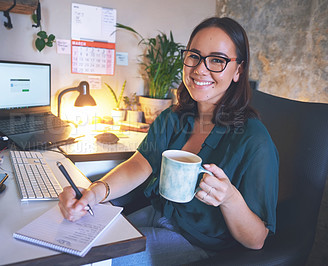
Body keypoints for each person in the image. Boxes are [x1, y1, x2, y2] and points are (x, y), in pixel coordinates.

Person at [58, 17, 279, 265]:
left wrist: (229, 198)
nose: (200, 69)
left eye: (217, 60)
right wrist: (94, 192)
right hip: (157, 214)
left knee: (95, 259)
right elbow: (140, 165)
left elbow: (257, 239)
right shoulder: (174, 117)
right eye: (194, 56)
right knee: (69, 240)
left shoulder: (254, 140)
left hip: (195, 241)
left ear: (238, 70)